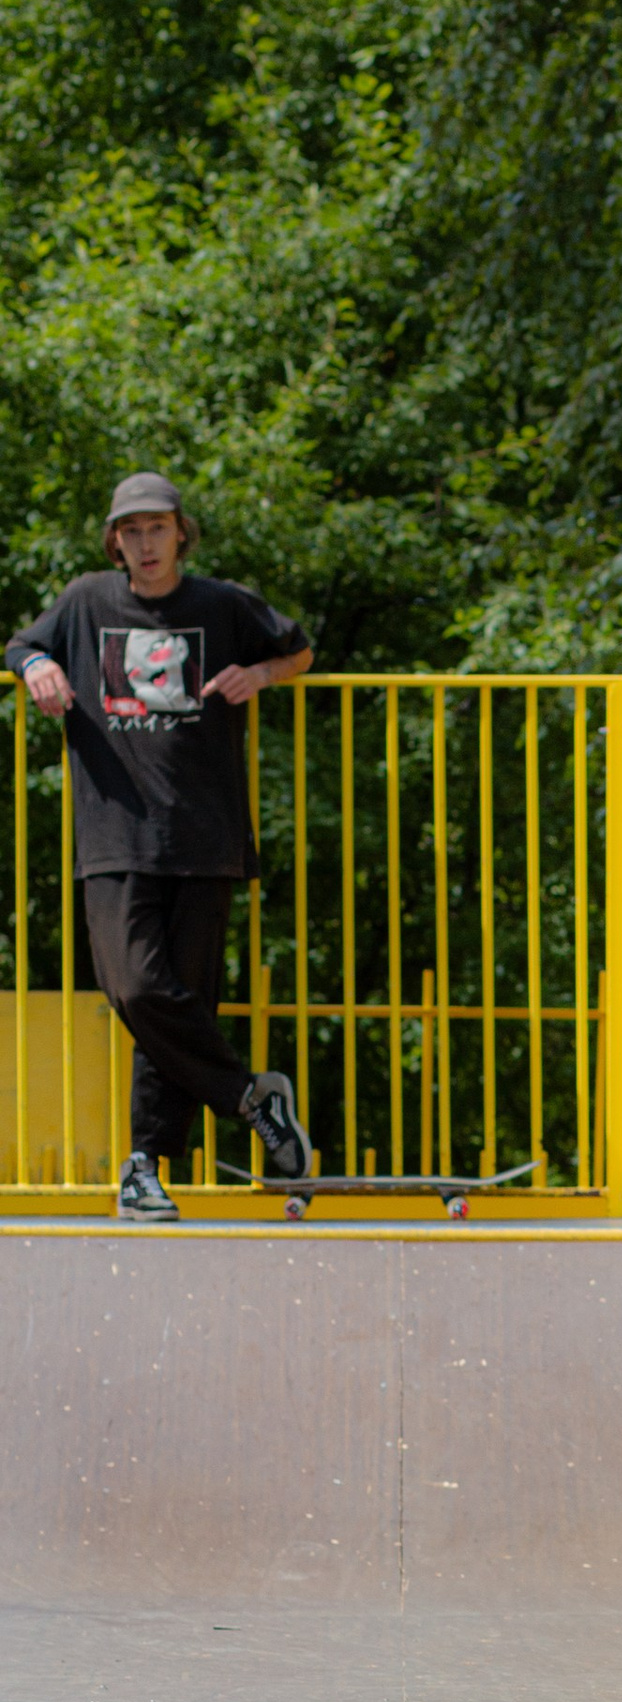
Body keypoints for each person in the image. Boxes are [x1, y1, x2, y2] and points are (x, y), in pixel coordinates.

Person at [6, 473, 315, 1221]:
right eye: (130, 532)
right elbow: (21, 643)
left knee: (176, 1006)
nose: (144, 544)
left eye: (157, 529)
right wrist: (37, 666)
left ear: (181, 532)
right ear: (115, 542)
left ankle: (146, 1168)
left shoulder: (220, 605)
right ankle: (250, 1098)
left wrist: (263, 674)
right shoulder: (86, 602)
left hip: (205, 834)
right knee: (139, 990)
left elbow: (300, 648)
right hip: (115, 831)